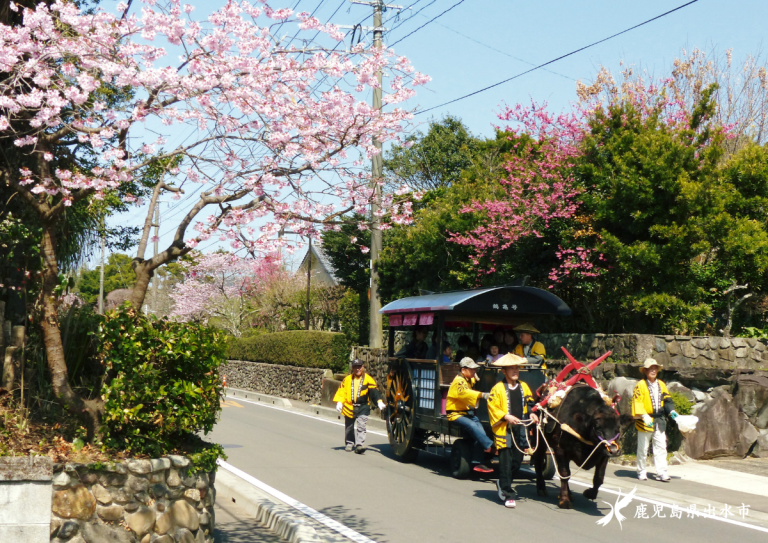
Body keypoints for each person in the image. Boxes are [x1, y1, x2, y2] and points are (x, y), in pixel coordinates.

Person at [487, 353, 538, 508]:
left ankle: (502, 482)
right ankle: (508, 492)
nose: (515, 371)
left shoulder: (524, 386)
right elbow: (492, 407)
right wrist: (506, 416)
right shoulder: (497, 389)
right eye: (511, 368)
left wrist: (532, 413)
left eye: (517, 368)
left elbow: (530, 403)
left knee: (517, 461)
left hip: (520, 428)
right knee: (505, 462)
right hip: (504, 428)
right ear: (504, 371)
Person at [632, 358, 678, 482]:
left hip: (660, 420)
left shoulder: (661, 384)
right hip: (645, 420)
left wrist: (672, 411)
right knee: (643, 448)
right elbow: (637, 401)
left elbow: (667, 400)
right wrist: (643, 415)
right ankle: (641, 471)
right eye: (650, 369)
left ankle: (661, 472)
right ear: (646, 371)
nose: (653, 371)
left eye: (655, 368)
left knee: (661, 447)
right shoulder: (640, 385)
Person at [446, 357, 494, 473]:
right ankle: (490, 446)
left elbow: (476, 379)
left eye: (474, 369)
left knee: (479, 431)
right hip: (456, 414)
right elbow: (465, 393)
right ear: (463, 370)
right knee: (472, 427)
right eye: (471, 369)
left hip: (468, 414)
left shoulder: (468, 379)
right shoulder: (459, 381)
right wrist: (482, 395)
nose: (474, 371)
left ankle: (478, 463)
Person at [334, 358, 387, 454]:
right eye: (355, 367)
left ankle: (359, 445)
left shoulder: (368, 379)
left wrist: (379, 401)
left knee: (361, 426)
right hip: (349, 406)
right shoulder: (347, 379)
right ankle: (350, 443)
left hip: (363, 406)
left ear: (363, 367)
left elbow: (374, 391)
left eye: (359, 367)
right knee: (349, 426)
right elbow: (342, 392)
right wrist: (340, 402)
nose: (357, 369)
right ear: (352, 368)